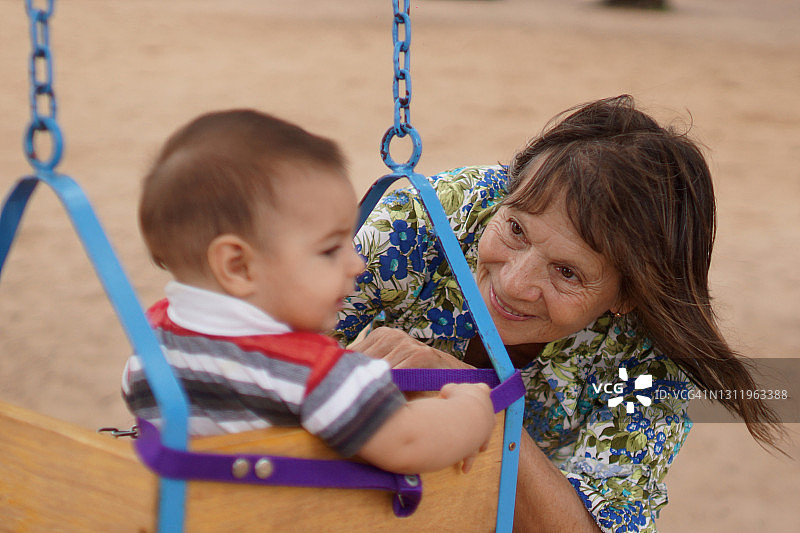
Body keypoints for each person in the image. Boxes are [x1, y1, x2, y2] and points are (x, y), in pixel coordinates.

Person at [335, 95, 785, 531]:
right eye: (515, 230)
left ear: (627, 296)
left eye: (567, 272)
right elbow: (271, 338)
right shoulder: (440, 219)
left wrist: (481, 403)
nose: (514, 283)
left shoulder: (648, 362)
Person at [121, 109, 496, 475]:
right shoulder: (309, 372)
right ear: (237, 265)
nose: (357, 264)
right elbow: (409, 441)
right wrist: (471, 409)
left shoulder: (150, 346)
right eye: (330, 249)